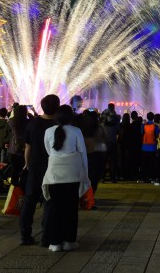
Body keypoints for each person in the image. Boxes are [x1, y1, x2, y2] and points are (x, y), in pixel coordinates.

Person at [42, 104, 90, 252]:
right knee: (70, 209)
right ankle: (69, 241)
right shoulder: (76, 131)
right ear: (71, 117)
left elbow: (49, 151)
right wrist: (85, 175)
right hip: (72, 175)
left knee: (55, 209)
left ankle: (55, 242)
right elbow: (82, 153)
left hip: (54, 175)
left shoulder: (48, 131)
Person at [20, 94, 60, 246]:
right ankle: (46, 236)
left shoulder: (33, 124)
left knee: (29, 201)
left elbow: (28, 147)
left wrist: (26, 164)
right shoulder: (58, 125)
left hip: (35, 167)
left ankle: (25, 235)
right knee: (50, 202)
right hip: (53, 167)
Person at [8, 105, 29, 184]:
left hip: (13, 149)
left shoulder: (11, 121)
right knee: (24, 168)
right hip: (25, 148)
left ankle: (14, 187)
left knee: (14, 169)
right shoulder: (28, 122)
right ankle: (23, 186)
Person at [102, 103, 120, 183]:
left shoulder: (103, 122)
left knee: (104, 161)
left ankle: (103, 178)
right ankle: (113, 178)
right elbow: (118, 131)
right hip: (113, 142)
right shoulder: (116, 121)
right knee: (113, 161)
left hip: (104, 143)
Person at [140, 112, 160, 184]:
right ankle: (151, 177)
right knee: (152, 163)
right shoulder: (156, 126)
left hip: (144, 147)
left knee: (144, 163)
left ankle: (143, 178)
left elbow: (142, 133)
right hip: (153, 147)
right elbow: (157, 135)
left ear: (147, 117)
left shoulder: (143, 125)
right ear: (153, 117)